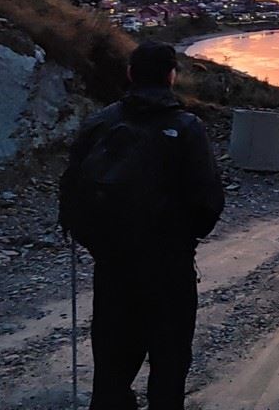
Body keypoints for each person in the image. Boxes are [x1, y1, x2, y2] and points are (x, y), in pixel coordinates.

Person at [58, 42, 224, 410]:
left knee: (112, 368)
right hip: (169, 267)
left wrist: (100, 245)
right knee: (169, 367)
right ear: (171, 76)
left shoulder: (99, 123)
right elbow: (209, 202)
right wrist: (183, 238)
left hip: (113, 267)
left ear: (130, 74)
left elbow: (71, 196)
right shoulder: (187, 128)